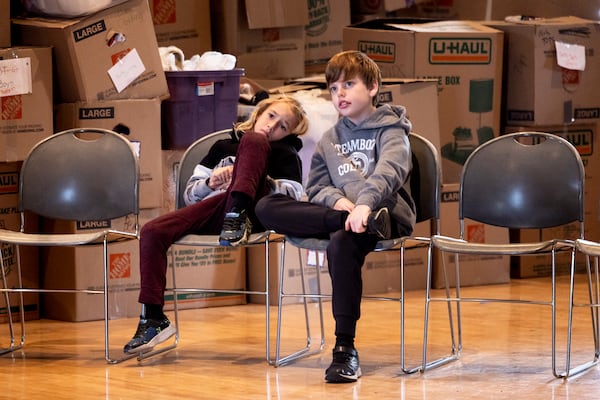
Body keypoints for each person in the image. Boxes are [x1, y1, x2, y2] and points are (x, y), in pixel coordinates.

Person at [255, 51, 415, 383]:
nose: (339, 94)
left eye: (348, 85)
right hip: (344, 215)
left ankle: (344, 349)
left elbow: (390, 172)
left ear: (372, 88)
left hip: (383, 213)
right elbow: (316, 187)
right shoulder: (330, 139)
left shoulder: (391, 129)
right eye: (333, 88)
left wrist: (364, 205)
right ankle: (339, 221)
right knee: (266, 207)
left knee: (342, 243)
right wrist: (340, 203)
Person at [123, 95, 309, 354]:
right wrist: (211, 183)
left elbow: (292, 196)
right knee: (152, 230)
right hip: (215, 212)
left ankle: (237, 214)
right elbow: (188, 196)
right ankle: (153, 318)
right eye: (271, 116)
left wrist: (253, 177)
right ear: (259, 113)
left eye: (283, 126)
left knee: (253, 142)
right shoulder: (222, 147)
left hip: (256, 214)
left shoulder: (286, 154)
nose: (273, 126)